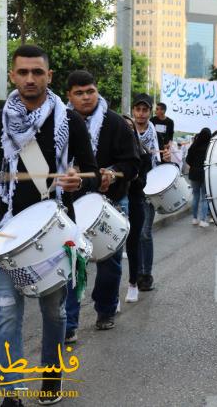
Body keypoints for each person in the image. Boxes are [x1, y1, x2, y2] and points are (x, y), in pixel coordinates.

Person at [0, 45, 98, 406]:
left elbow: (93, 174)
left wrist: (78, 180)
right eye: (23, 72)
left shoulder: (70, 121)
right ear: (12, 76)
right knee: (6, 314)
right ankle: (12, 393)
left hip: (55, 231)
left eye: (37, 72)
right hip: (9, 231)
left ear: (49, 76)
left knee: (54, 311)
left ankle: (50, 377)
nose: (30, 79)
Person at [64, 70, 140, 338]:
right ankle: (69, 324)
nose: (86, 98)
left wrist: (113, 171)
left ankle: (105, 310)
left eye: (90, 91)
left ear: (97, 91)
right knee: (71, 264)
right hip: (71, 207)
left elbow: (133, 163)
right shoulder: (60, 124)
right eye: (79, 93)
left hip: (112, 202)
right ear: (69, 96)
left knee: (109, 262)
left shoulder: (116, 123)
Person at [122, 115, 152, 303]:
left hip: (135, 203)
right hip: (114, 204)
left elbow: (142, 183)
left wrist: (130, 177)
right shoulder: (110, 154)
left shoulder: (143, 155)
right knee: (113, 251)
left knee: (133, 244)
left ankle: (133, 283)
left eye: (128, 127)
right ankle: (110, 297)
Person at [132, 94, 161, 291]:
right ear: (133, 111)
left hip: (149, 188)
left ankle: (145, 275)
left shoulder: (156, 134)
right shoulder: (125, 130)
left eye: (145, 110)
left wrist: (165, 157)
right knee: (132, 235)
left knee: (145, 233)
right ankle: (134, 276)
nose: (141, 113)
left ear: (150, 112)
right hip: (129, 189)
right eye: (138, 109)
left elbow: (162, 162)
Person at [185, 127, 211, 227]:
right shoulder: (209, 147)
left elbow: (188, 160)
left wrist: (194, 165)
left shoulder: (194, 146)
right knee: (204, 197)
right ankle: (203, 220)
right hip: (205, 174)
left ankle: (194, 218)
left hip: (194, 173)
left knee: (195, 196)